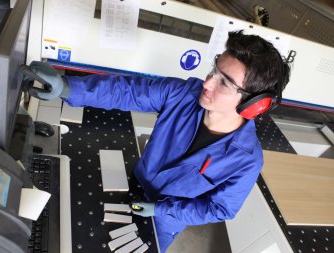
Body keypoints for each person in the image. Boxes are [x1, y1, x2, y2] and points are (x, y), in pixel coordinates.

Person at [27, 30, 291, 253]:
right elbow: (127, 92)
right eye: (214, 70)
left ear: (254, 105)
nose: (208, 83)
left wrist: (162, 210)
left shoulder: (246, 159)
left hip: (164, 220)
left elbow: (219, 209)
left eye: (224, 82)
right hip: (132, 184)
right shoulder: (184, 93)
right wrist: (67, 88)